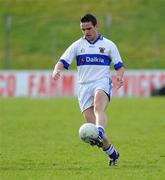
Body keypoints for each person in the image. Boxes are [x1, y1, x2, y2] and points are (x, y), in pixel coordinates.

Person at [52, 14, 125, 166]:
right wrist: (56, 70)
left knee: (99, 106)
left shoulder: (109, 45)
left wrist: (119, 76)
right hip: (83, 86)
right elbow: (63, 61)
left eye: (89, 28)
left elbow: (119, 66)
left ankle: (99, 130)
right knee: (94, 133)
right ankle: (112, 154)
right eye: (83, 29)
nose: (86, 32)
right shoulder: (77, 45)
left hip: (102, 82)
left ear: (96, 26)